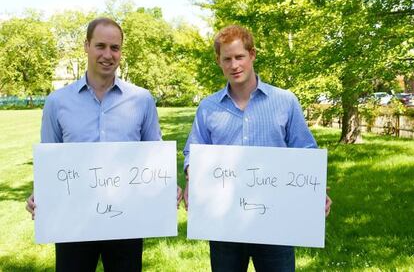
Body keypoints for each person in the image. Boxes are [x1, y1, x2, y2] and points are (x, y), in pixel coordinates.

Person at [26, 17, 181, 272]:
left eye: (115, 48)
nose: (108, 54)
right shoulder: (57, 102)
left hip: (127, 220)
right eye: (100, 46)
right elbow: (50, 160)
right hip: (72, 223)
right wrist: (40, 193)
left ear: (121, 51)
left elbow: (154, 153)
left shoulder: (141, 100)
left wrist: (166, 187)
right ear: (86, 46)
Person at [183, 25, 332, 271]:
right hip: (224, 223)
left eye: (239, 56)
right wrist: (192, 177)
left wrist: (314, 190)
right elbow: (192, 153)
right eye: (227, 59)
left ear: (252, 54)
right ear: (218, 62)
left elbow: (305, 150)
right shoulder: (208, 108)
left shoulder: (285, 101)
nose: (234, 65)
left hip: (277, 223)